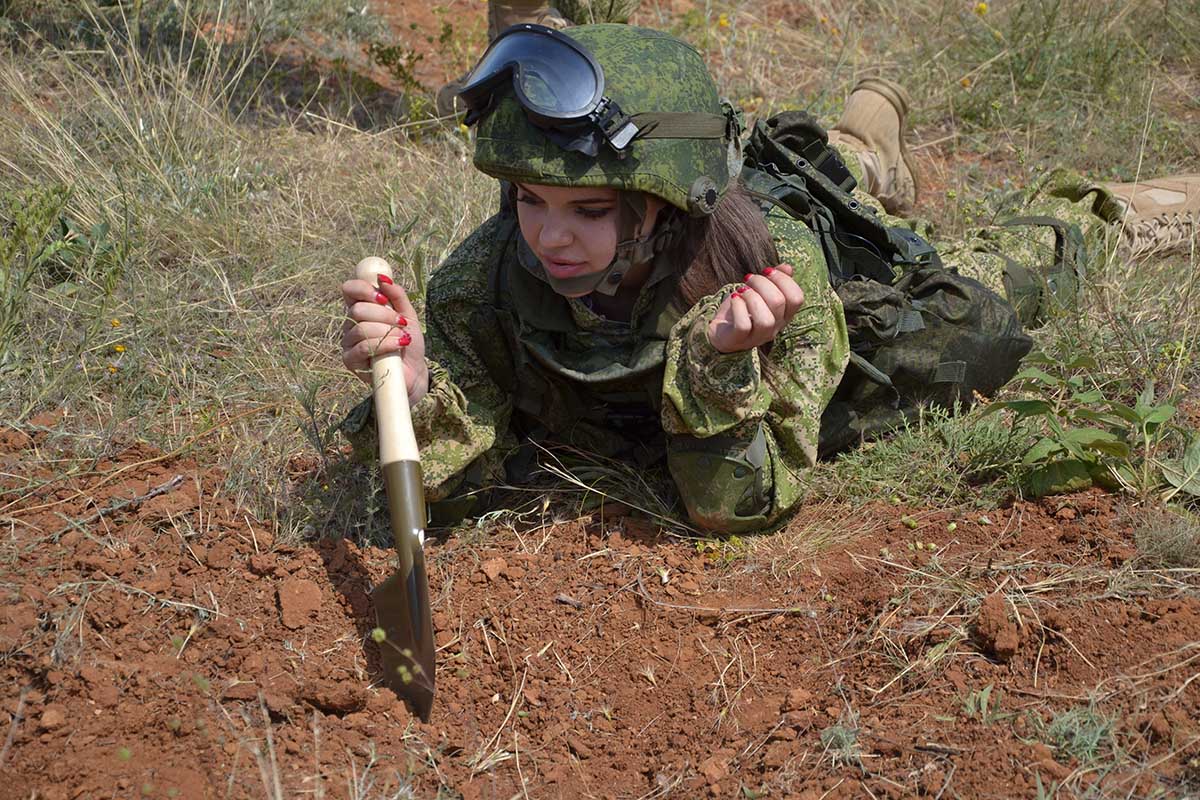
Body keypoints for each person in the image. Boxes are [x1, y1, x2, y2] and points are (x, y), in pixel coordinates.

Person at [344, 23, 1199, 533]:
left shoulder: (767, 274)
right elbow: (427, 506)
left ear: (660, 208)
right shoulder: (488, 272)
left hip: (816, 259)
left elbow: (738, 509)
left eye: (590, 212)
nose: (549, 236)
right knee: (839, 168)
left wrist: (719, 362)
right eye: (529, 200)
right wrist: (416, 393)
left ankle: (1133, 208)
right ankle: (864, 145)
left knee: (994, 281)